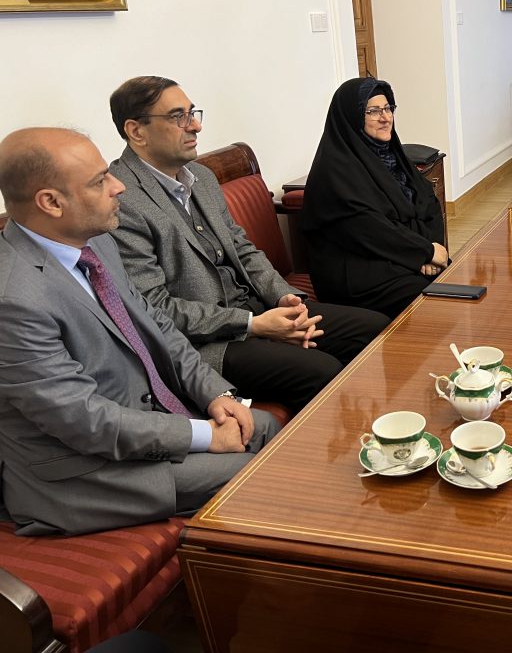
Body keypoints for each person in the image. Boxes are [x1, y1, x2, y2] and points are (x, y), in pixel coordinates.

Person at [0, 128, 279, 536]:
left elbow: (158, 327)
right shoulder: (13, 299)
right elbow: (82, 419)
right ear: (51, 202)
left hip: (144, 421)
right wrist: (204, 435)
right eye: (100, 181)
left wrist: (217, 395)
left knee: (268, 428)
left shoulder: (97, 244)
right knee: (261, 473)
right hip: (87, 471)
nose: (119, 186)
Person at [107, 76, 389, 413]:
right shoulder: (121, 200)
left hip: (258, 309)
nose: (195, 125)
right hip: (204, 344)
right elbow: (154, 308)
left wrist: (284, 298)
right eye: (178, 117)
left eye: (193, 113)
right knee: (322, 370)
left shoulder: (201, 177)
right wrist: (253, 325)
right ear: (136, 131)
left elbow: (242, 248)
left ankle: (376, 423)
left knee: (374, 329)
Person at [301, 77, 447, 319]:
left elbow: (428, 202)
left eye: (388, 108)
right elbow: (369, 229)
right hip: (358, 273)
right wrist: (424, 252)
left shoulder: (393, 157)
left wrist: (432, 248)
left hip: (401, 256)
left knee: (454, 279)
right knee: (433, 301)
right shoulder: (333, 171)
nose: (385, 117)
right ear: (352, 118)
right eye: (373, 111)